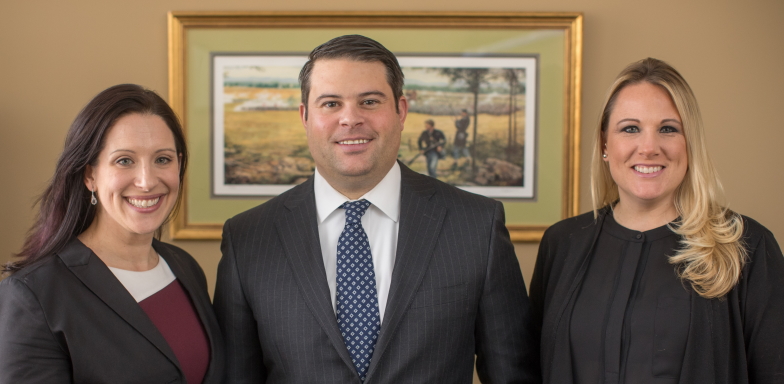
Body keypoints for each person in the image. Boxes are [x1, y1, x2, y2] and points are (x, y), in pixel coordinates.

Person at [214, 34, 539, 383]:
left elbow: (512, 374)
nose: (350, 119)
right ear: (305, 116)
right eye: (330, 104)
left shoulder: (477, 226)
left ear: (400, 111)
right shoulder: (248, 238)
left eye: (369, 101)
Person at [529, 58, 784, 383]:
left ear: (690, 144)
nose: (648, 148)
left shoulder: (748, 245)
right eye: (630, 128)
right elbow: (529, 367)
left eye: (668, 129)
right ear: (605, 144)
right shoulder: (562, 243)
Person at [0, 84, 225, 383]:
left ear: (179, 164)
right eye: (124, 160)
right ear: (90, 175)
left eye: (162, 159)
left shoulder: (184, 267)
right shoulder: (34, 294)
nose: (147, 181)